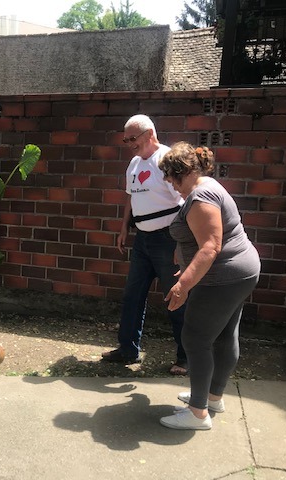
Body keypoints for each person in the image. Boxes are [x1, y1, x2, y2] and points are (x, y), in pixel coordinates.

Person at [158, 143, 260, 430]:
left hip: (222, 278)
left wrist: (183, 285)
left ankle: (197, 413)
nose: (168, 182)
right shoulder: (208, 186)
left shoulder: (201, 195)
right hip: (238, 272)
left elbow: (210, 247)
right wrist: (186, 263)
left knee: (195, 338)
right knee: (225, 335)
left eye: (170, 175)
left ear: (184, 171)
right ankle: (212, 398)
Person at [102, 114, 188, 374]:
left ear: (149, 133)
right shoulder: (134, 164)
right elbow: (131, 197)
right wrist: (123, 227)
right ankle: (128, 348)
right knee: (132, 295)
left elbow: (185, 202)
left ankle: (186, 356)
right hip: (142, 238)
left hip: (167, 238)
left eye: (133, 138)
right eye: (125, 139)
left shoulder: (166, 160)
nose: (129, 143)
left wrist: (181, 242)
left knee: (176, 298)